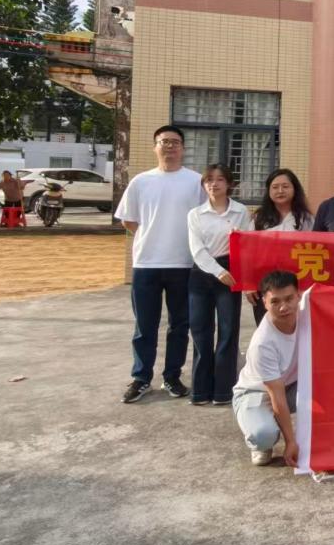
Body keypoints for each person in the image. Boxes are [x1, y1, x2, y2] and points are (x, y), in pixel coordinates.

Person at [114, 125, 205, 403]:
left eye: (175, 142)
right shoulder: (141, 181)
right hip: (146, 264)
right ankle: (141, 378)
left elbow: (205, 218)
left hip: (184, 263)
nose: (170, 146)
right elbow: (129, 220)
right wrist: (151, 237)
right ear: (155, 147)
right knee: (145, 325)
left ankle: (172, 376)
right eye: (164, 141)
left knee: (179, 325)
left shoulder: (196, 182)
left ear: (183, 148)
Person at [187, 163, 253, 406]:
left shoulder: (240, 211)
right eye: (209, 180)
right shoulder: (195, 214)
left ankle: (223, 391)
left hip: (230, 272)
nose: (214, 184)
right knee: (200, 331)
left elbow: (247, 243)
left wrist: (239, 275)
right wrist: (218, 271)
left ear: (229, 184)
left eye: (220, 179)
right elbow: (197, 250)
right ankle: (200, 390)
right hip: (202, 273)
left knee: (228, 331)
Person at [232, 270, 303, 467]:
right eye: (275, 302)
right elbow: (276, 396)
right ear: (264, 302)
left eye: (289, 299)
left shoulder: (307, 316)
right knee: (264, 435)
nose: (284, 307)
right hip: (257, 392)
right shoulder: (263, 343)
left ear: (299, 296)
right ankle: (260, 440)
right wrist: (290, 442)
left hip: (291, 385)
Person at [249, 168, 314, 325]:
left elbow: (313, 251)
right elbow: (249, 251)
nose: (280, 191)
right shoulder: (259, 218)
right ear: (268, 191)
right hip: (265, 283)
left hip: (295, 284)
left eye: (285, 186)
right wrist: (248, 284)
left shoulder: (306, 219)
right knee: (266, 326)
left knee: (295, 327)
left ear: (294, 189)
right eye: (275, 187)